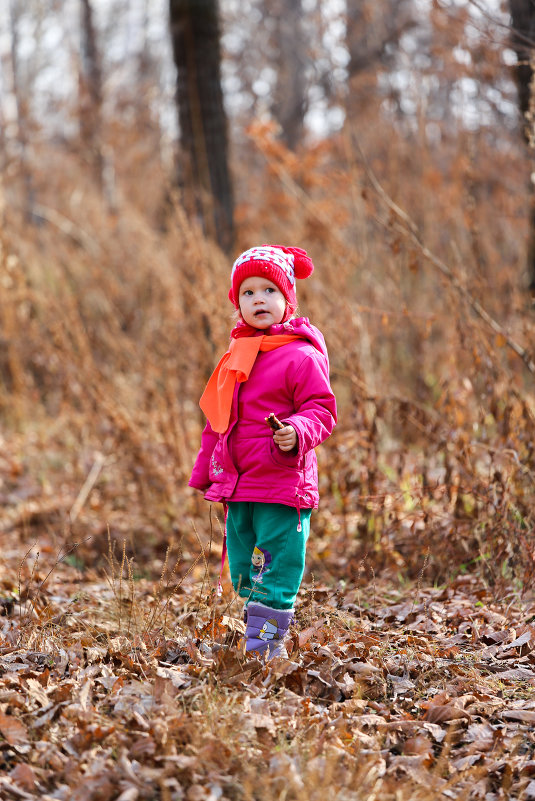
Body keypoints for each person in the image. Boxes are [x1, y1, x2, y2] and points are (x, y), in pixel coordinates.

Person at [189, 245, 337, 658]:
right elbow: (218, 422)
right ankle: (260, 634)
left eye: (269, 290)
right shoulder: (235, 357)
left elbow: (321, 409)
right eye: (248, 293)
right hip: (238, 486)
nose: (259, 300)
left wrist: (296, 431)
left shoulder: (300, 355)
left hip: (280, 483)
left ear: (287, 299)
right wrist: (207, 472)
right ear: (237, 303)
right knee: (244, 572)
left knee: (275, 570)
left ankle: (266, 649)